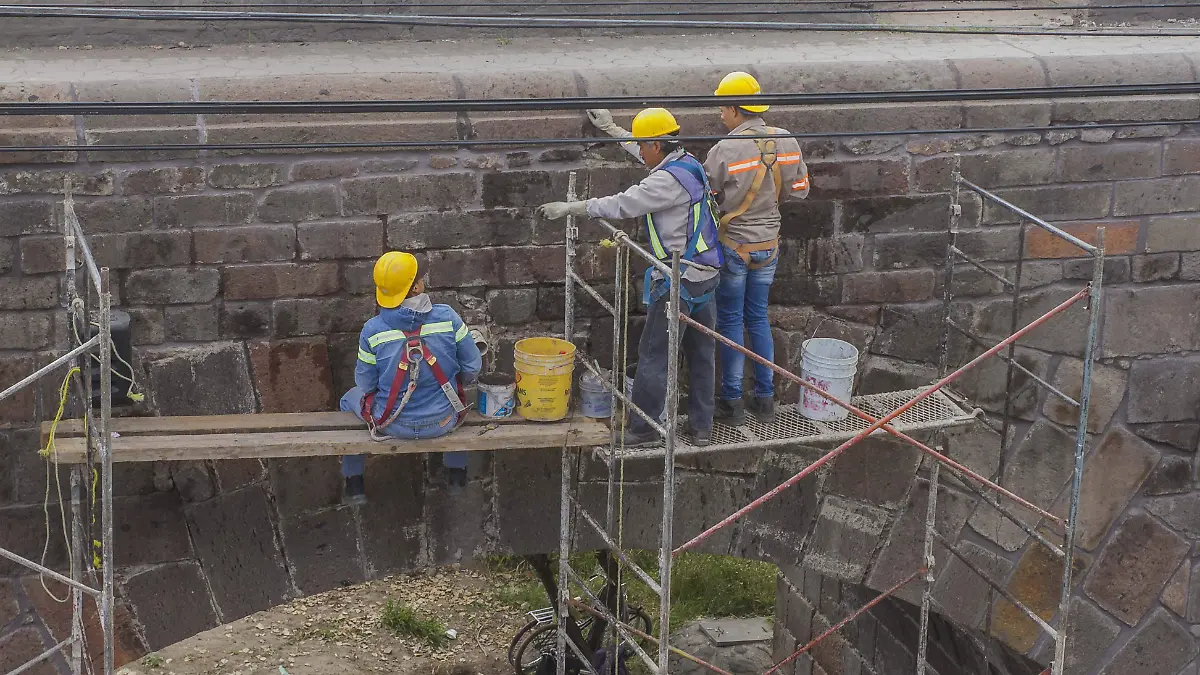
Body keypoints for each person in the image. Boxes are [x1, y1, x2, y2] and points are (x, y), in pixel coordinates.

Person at [538, 108, 722, 447]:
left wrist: (572, 208)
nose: (640, 149)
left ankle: (644, 430)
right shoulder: (686, 163)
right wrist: (611, 128)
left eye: (642, 143)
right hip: (706, 277)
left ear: (656, 143)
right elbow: (640, 151)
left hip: (679, 283)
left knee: (654, 356)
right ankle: (701, 427)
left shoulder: (664, 181)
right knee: (702, 356)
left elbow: (623, 204)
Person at [703, 71, 810, 426]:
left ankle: (731, 402)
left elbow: (705, 196)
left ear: (735, 108)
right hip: (769, 246)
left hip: (735, 247)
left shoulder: (725, 149)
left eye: (723, 107)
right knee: (758, 317)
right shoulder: (787, 140)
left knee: (731, 320)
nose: (721, 114)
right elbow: (801, 190)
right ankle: (764, 399)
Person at [339, 251, 482, 503]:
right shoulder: (447, 317)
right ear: (416, 287)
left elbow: (365, 384)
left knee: (348, 399)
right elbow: (472, 365)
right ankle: (457, 475)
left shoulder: (372, 330)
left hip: (392, 423)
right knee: (457, 395)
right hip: (443, 421)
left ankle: (354, 482)